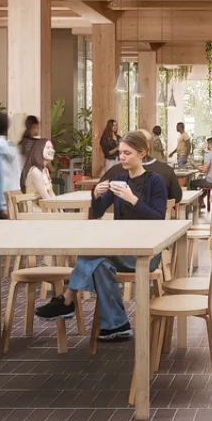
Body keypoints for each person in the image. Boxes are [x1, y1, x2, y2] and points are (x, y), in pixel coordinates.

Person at [35, 130, 168, 342]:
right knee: (101, 265)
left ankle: (68, 299)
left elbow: (159, 220)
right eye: (121, 153)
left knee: (92, 253)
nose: (122, 157)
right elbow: (97, 212)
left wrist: (133, 200)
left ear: (142, 153)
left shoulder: (155, 182)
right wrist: (95, 195)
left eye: (128, 153)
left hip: (147, 252)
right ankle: (117, 326)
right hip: (119, 248)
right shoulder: (119, 179)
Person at [20, 135, 56, 199]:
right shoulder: (35, 171)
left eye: (52, 148)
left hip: (46, 207)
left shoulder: (45, 170)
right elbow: (46, 197)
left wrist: (60, 209)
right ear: (38, 150)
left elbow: (51, 194)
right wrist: (57, 208)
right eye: (48, 147)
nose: (52, 150)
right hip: (36, 208)